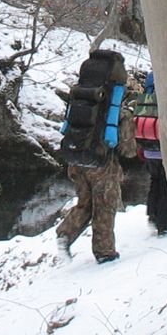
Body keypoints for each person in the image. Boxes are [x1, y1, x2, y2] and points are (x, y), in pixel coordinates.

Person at [56, 72, 139, 263]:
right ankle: (104, 252)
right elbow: (128, 150)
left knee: (85, 203)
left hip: (77, 161)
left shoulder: (82, 102)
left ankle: (65, 234)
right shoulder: (120, 113)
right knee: (104, 208)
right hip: (103, 166)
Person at [134, 70, 167, 236]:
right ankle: (164, 224)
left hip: (148, 146)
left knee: (155, 180)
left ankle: (152, 215)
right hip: (164, 148)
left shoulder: (148, 88)